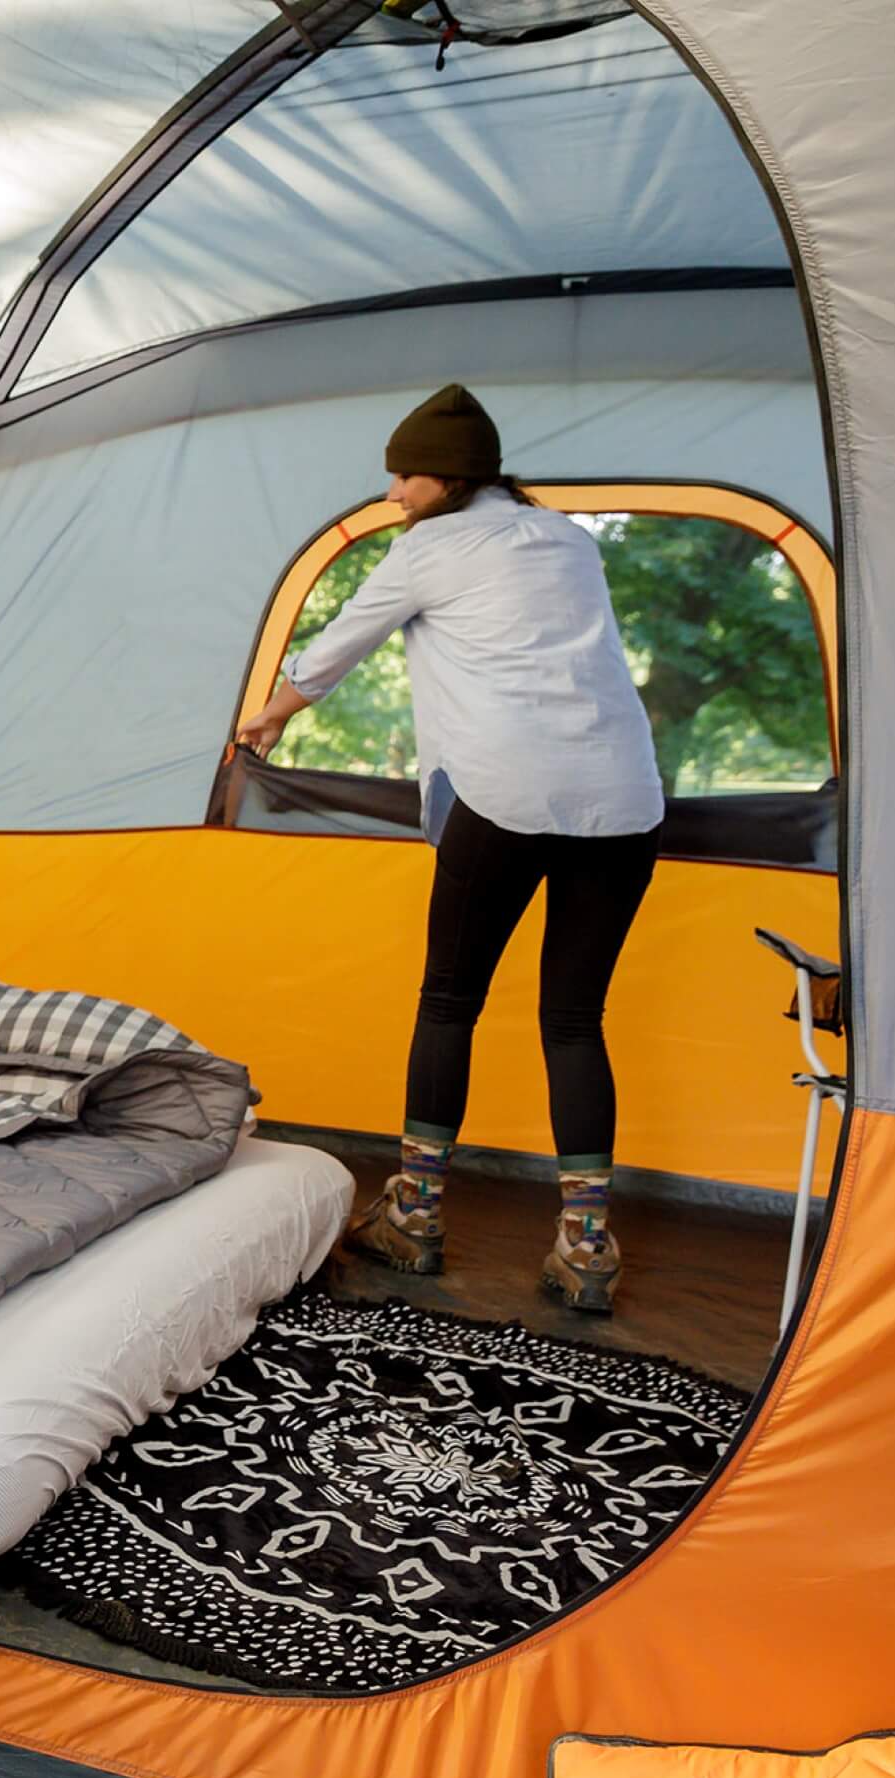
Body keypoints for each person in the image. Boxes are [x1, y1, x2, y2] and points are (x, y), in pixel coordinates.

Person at [238, 385, 664, 1313]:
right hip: (626, 801)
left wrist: (267, 716)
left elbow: (334, 649)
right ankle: (587, 1246)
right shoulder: (571, 543)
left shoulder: (429, 548)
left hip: (508, 792)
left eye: (403, 475)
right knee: (575, 1018)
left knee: (448, 1002)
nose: (392, 492)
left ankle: (417, 1219)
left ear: (447, 478)